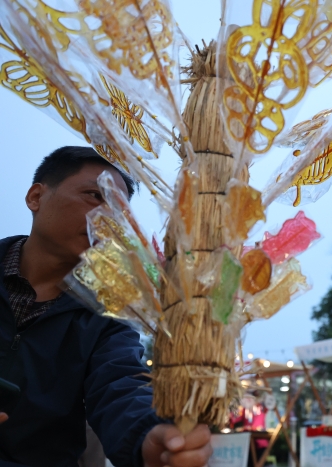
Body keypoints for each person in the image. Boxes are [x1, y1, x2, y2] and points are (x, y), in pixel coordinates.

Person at [0, 147, 212, 467]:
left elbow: (121, 384)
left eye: (119, 209)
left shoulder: (109, 314)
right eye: (94, 196)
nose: (108, 218)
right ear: (36, 197)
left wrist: (149, 437)